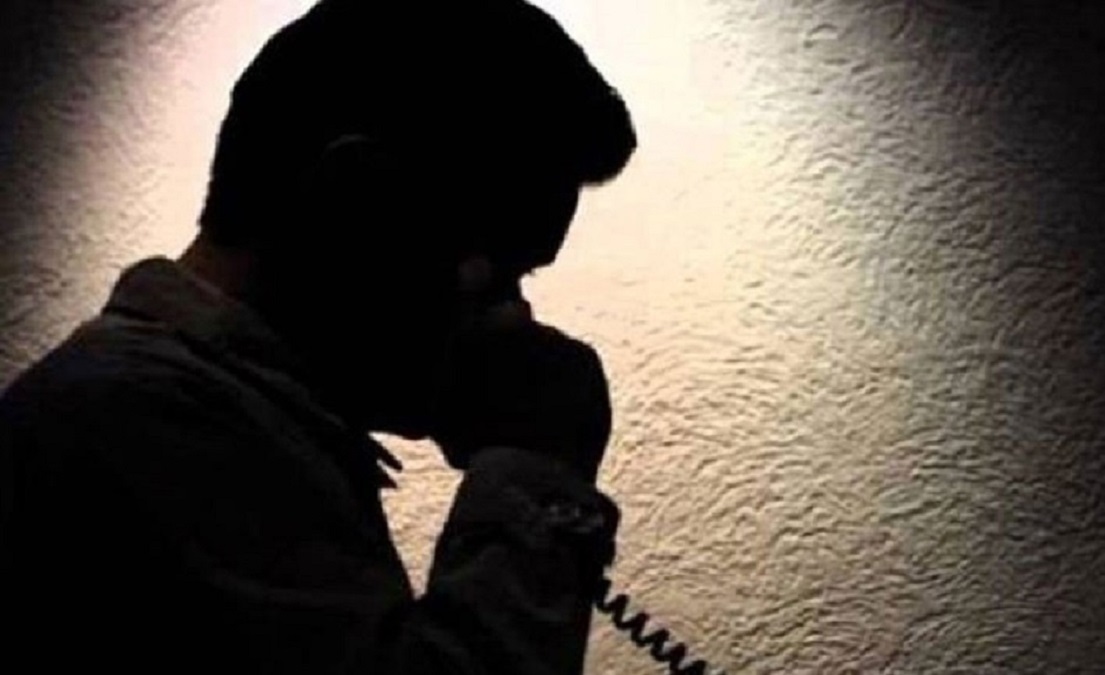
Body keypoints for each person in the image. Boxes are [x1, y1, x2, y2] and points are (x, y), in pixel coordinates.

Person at [0, 1, 637, 673]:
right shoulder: (144, 421)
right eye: (495, 263)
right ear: (356, 197)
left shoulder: (207, 415)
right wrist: (540, 462)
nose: (512, 316)